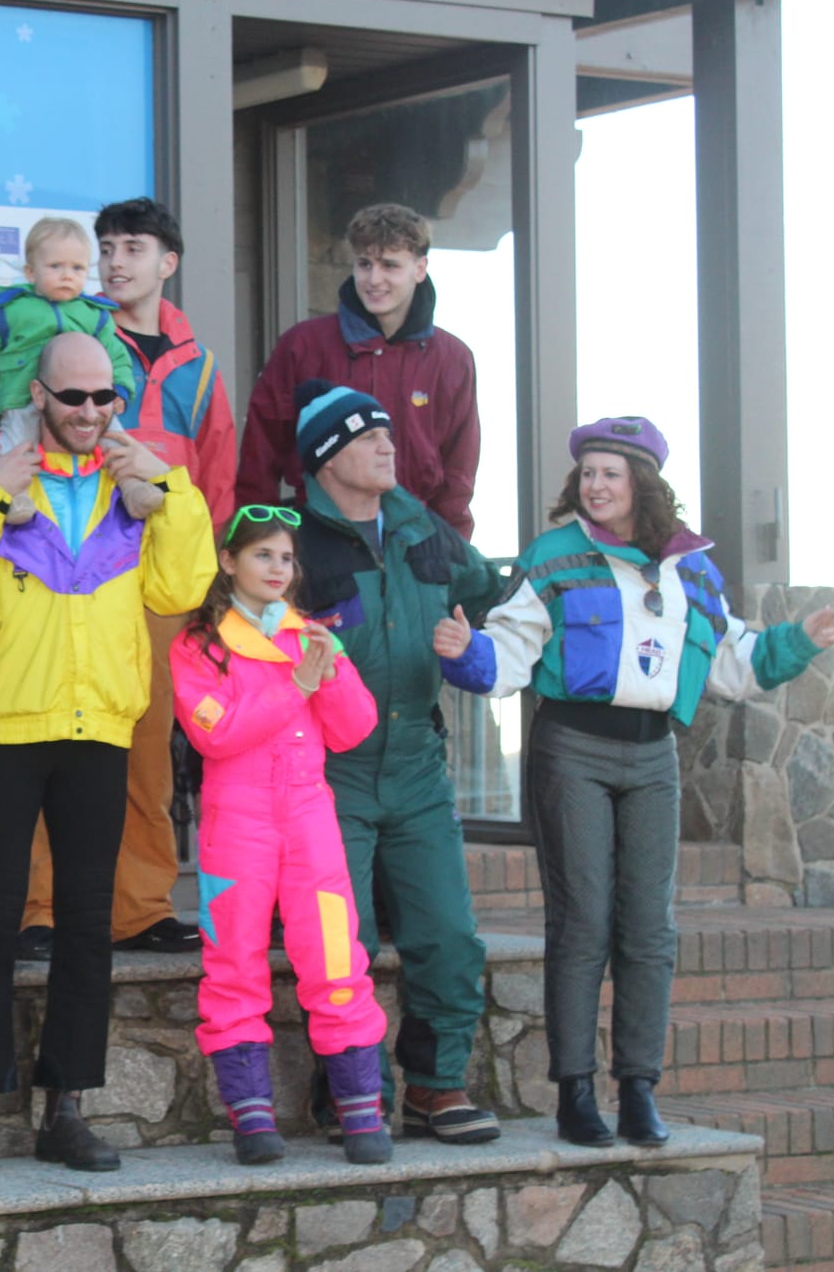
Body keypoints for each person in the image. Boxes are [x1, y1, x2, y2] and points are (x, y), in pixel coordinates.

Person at [434, 416, 834, 1147]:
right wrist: (469, 654)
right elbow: (513, 653)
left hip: (655, 755)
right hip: (573, 749)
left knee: (650, 929)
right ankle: (575, 1093)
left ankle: (639, 1088)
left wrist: (801, 641)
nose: (594, 485)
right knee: (584, 919)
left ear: (641, 484)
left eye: (609, 473)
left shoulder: (690, 568)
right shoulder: (554, 557)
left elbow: (734, 660)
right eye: (586, 472)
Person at [0, 332, 214, 1174]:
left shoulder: (143, 474)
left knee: (88, 925)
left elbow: (179, 588)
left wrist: (166, 496)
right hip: (5, 722)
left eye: (104, 398)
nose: (90, 412)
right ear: (39, 395)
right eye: (73, 397)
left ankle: (67, 1106)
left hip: (100, 726)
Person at [16, 197, 240, 960]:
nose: (114, 260)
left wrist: (210, 582)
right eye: (105, 246)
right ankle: (39, 907)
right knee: (54, 736)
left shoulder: (201, 366)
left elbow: (216, 481)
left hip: (160, 584)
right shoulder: (65, 335)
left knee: (147, 747)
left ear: (167, 263)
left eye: (132, 247)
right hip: (67, 563)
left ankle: (140, 906)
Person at [289, 382, 505, 1146]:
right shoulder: (292, 544)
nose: (389, 445)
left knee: (447, 934)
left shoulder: (425, 530)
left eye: (387, 432)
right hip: (328, 776)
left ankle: (437, 1086)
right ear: (328, 457)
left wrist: (472, 649)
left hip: (417, 766)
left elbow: (490, 604)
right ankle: (352, 1089)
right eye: (369, 435)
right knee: (339, 940)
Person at [172, 507, 391, 1167]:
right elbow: (216, 733)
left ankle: (361, 1111)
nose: (277, 568)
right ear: (230, 562)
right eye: (263, 555)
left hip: (310, 824)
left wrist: (332, 670)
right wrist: (297, 684)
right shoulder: (199, 643)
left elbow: (354, 728)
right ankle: (251, 1115)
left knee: (336, 962)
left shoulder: (312, 636)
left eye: (286, 558)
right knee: (233, 965)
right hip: (235, 827)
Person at [238, 203, 479, 538]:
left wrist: (453, 551)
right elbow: (260, 458)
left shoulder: (453, 358)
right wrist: (257, 543)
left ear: (420, 269)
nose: (373, 279)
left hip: (417, 543)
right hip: (317, 540)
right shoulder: (303, 345)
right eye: (364, 264)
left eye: (389, 265)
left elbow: (459, 472)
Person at [0, 216, 159, 522]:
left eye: (77, 268)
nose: (67, 276)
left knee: (115, 439)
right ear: (31, 272)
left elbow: (117, 356)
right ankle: (15, 497)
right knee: (14, 447)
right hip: (19, 397)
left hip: (83, 403)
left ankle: (133, 488)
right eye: (56, 267)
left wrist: (120, 388)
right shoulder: (9, 309)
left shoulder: (93, 314)